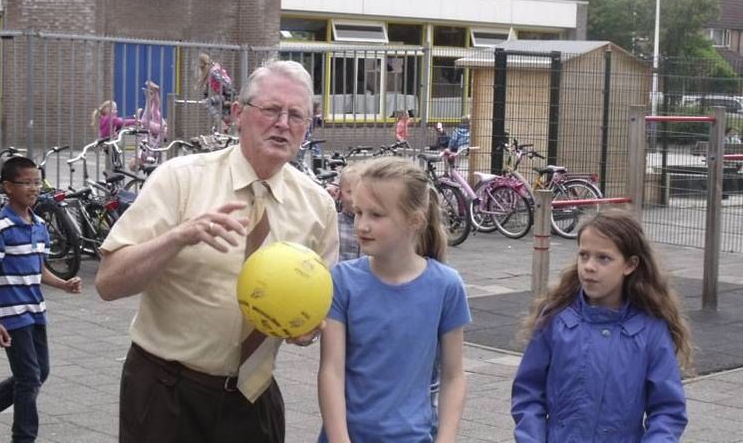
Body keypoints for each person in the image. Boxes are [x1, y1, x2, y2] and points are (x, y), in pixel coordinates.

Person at [95, 59, 338, 443]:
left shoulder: (318, 207)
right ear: (239, 114)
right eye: (272, 110)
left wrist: (304, 328)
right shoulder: (181, 179)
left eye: (296, 115)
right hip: (167, 393)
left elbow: (316, 307)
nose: (283, 123)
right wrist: (179, 237)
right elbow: (108, 283)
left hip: (253, 398)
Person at [318, 156, 470, 442]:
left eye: (376, 215)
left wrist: (446, 438)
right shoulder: (341, 281)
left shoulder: (446, 286)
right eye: (359, 212)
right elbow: (331, 371)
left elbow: (454, 376)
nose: (362, 224)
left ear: (414, 220)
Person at [511, 208, 691, 442]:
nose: (589, 266)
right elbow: (528, 392)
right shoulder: (556, 318)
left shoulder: (650, 329)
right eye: (583, 255)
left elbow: (667, 410)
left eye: (603, 258)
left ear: (629, 265)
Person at [0, 156, 82, 443]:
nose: (33, 188)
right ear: (8, 187)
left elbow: (39, 270)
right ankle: (23, 438)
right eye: (26, 183)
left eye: (37, 182)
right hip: (11, 314)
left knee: (39, 372)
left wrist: (64, 284)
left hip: (35, 311)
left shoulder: (40, 225)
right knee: (29, 378)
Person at [197, 52, 235, 132]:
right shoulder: (212, 71)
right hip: (224, 95)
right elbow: (206, 89)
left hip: (228, 96)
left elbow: (226, 83)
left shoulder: (214, 72)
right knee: (223, 121)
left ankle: (221, 123)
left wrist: (229, 99)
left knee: (206, 102)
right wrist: (205, 96)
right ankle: (224, 126)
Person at [335, 163, 362, 262]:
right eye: (350, 192)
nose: (356, 198)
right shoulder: (333, 224)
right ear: (339, 194)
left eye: (361, 192)